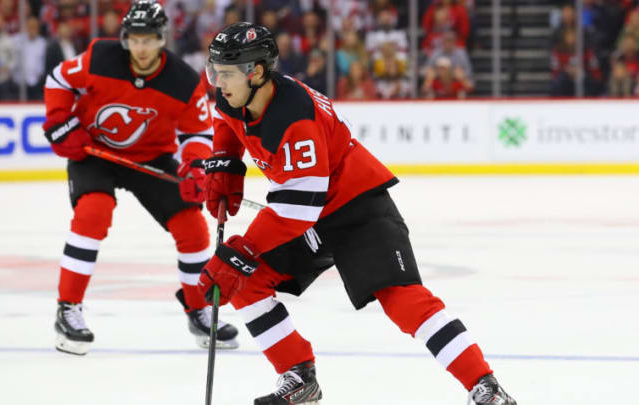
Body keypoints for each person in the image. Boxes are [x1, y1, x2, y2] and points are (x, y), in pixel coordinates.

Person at [199, 22, 517, 405]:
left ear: (257, 72)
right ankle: (298, 376)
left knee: (402, 299)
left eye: (227, 73)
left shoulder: (296, 119)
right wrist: (225, 161)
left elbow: (297, 211)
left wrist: (243, 251)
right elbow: (227, 123)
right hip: (306, 210)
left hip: (356, 207)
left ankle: (486, 387)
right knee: (246, 282)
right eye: (214, 69)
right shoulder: (233, 96)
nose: (218, 81)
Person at [42, 0, 238, 356]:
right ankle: (68, 308)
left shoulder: (180, 79)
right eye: (135, 39)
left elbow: (197, 133)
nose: (141, 47)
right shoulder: (100, 57)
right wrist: (60, 121)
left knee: (192, 226)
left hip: (151, 157)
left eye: (149, 39)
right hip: (95, 153)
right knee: (92, 213)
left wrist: (195, 166)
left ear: (161, 39)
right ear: (125, 39)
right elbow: (59, 79)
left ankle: (198, 309)